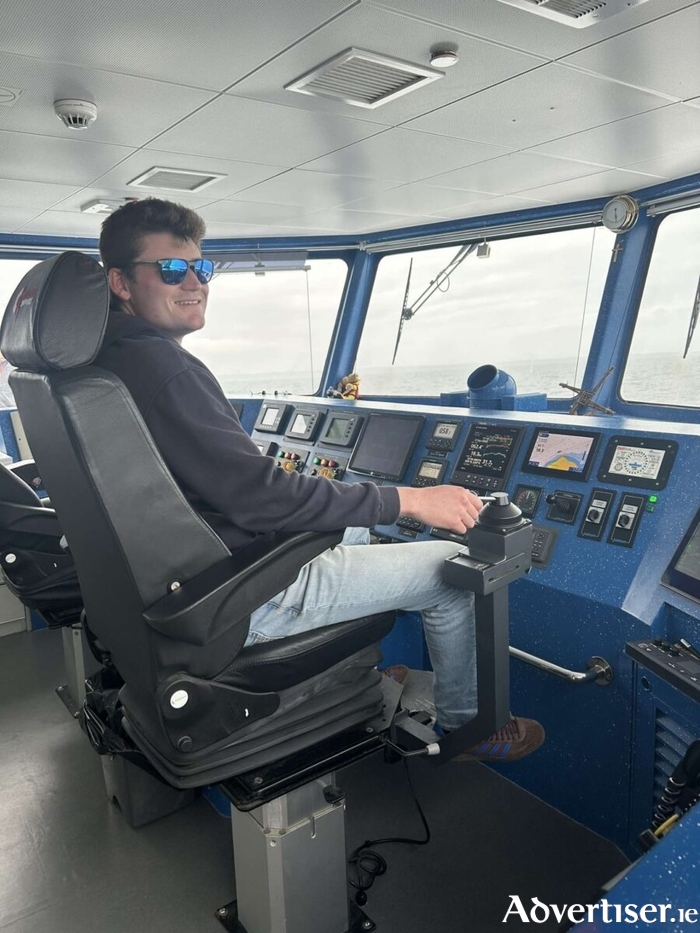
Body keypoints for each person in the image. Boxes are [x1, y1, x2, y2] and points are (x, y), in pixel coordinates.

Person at [97, 198, 544, 761]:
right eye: (169, 269)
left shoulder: (106, 362)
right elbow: (261, 498)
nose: (193, 281)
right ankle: (470, 726)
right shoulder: (165, 368)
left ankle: (361, 662)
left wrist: (380, 506)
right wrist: (410, 498)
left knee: (359, 531)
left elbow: (238, 489)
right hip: (242, 595)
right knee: (453, 575)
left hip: (191, 574)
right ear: (121, 282)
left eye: (200, 268)